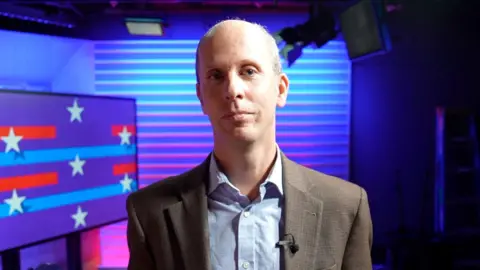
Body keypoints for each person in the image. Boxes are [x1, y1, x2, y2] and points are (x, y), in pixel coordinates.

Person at [126, 18, 373, 270]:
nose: (233, 89)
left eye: (249, 71)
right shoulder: (149, 212)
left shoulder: (345, 207)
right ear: (200, 97)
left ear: (281, 89)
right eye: (216, 75)